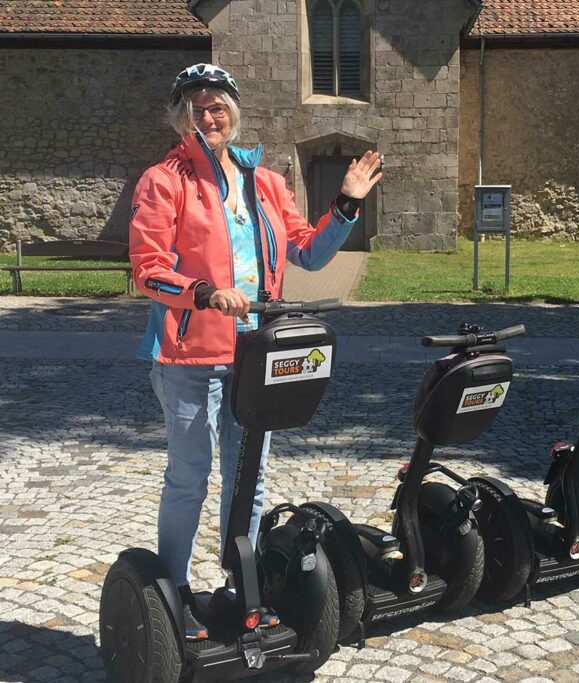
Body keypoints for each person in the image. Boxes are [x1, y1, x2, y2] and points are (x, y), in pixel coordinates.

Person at [129, 63, 382, 639]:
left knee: (251, 477)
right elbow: (148, 271)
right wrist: (202, 294)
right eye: (196, 106)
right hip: (189, 354)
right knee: (189, 477)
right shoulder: (164, 181)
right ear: (180, 116)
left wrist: (345, 205)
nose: (208, 115)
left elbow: (309, 254)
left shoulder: (264, 182)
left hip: (255, 354)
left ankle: (236, 583)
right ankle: (175, 592)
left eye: (217, 106)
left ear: (234, 114)